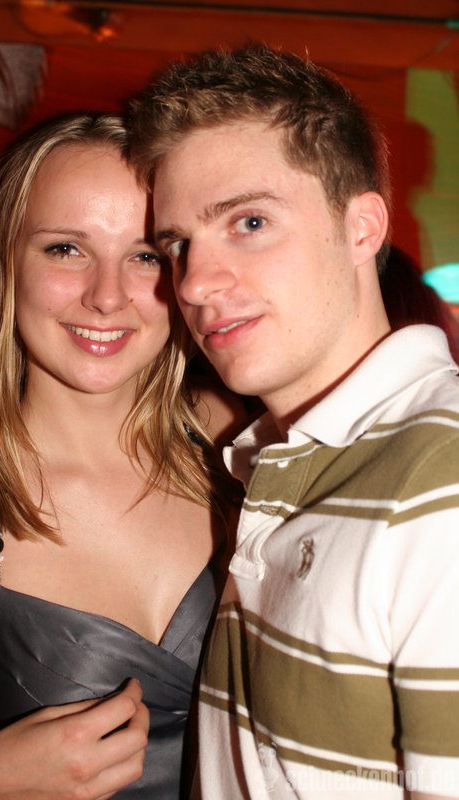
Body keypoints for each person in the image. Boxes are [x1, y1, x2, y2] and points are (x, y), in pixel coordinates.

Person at [128, 45, 459, 798]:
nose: (195, 284)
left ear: (361, 228)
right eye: (177, 245)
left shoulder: (440, 484)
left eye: (249, 221)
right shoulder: (267, 458)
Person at [0, 112, 242, 798]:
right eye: (66, 248)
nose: (106, 296)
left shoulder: (244, 456)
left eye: (146, 255)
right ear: (4, 264)